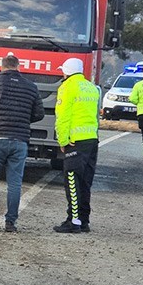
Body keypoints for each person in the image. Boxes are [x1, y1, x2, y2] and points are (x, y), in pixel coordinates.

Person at [0, 54, 45, 232]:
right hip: (20, 140)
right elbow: (39, 114)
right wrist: (22, 120)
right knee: (15, 182)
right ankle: (10, 222)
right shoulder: (31, 86)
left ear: (2, 66)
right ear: (18, 66)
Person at [53, 58, 99, 233]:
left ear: (67, 71)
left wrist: (63, 140)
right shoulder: (91, 87)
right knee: (85, 182)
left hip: (76, 140)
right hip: (91, 139)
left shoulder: (67, 87)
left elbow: (63, 116)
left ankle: (74, 221)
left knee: (72, 180)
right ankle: (84, 220)